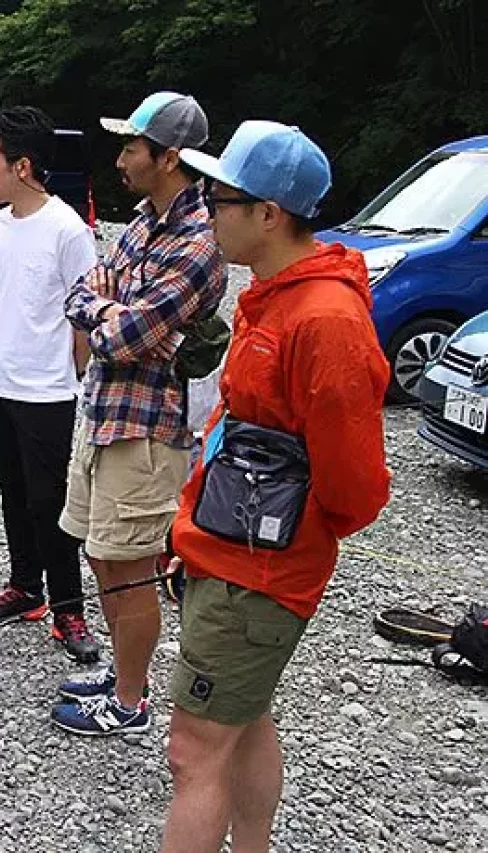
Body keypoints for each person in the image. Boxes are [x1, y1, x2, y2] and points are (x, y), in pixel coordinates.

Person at [160, 121, 390, 852]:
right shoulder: (273, 295)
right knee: (243, 717)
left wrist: (286, 535)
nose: (206, 211)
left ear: (268, 214)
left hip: (257, 573)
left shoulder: (325, 320)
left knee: (193, 750)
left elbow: (357, 484)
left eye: (219, 199)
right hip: (228, 555)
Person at [50, 92, 226, 735]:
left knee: (130, 571)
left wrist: (109, 313)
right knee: (103, 557)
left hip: (148, 429)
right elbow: (82, 294)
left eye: (131, 147)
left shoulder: (199, 243)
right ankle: (125, 672)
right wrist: (111, 310)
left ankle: (129, 702)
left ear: (169, 157)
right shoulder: (141, 223)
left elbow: (123, 337)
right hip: (104, 414)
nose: (120, 159)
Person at [0, 105, 100, 663]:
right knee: (12, 490)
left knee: (51, 501)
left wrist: (73, 377)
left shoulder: (68, 230)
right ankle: (25, 587)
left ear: (22, 166)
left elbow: (86, 315)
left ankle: (69, 608)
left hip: (47, 391)